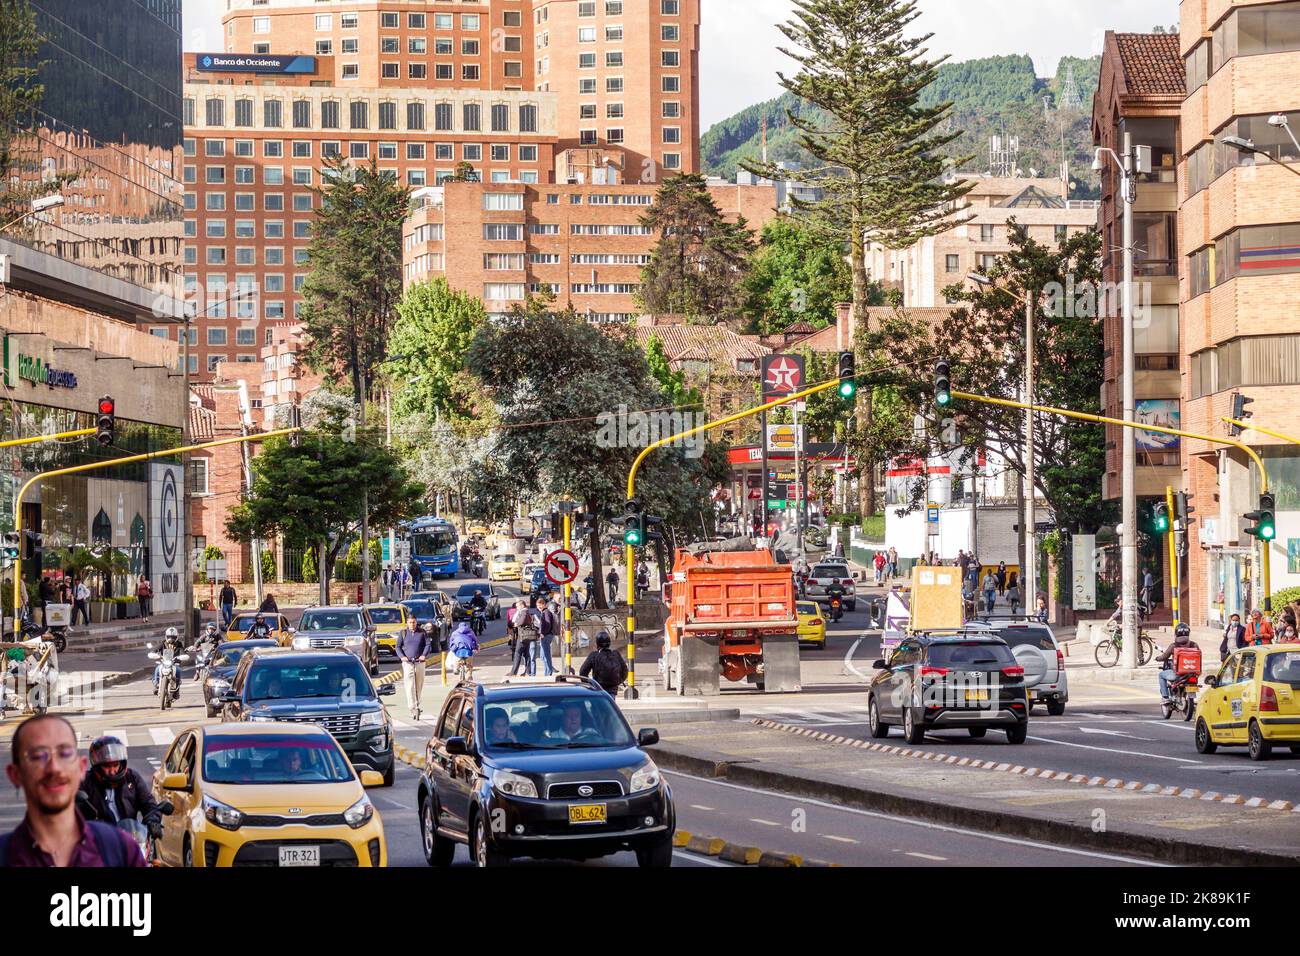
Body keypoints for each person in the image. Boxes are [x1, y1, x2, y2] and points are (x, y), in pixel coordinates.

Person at [1, 715, 146, 867]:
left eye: (64, 754)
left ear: (81, 767)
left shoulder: (122, 849)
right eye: (38, 757)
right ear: (15, 774)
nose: (54, 768)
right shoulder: (5, 856)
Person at [79, 735, 163, 837]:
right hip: (98, 841)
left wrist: (153, 821)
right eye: (106, 766)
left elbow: (148, 803)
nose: (112, 771)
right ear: (97, 765)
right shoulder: (85, 782)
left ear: (121, 763)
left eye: (115, 765)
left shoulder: (132, 778)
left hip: (131, 838)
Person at [395, 617, 432, 720]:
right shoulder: (403, 633)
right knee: (409, 685)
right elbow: (397, 647)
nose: (412, 624)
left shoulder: (422, 632)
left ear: (416, 622)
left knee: (419, 684)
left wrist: (423, 655)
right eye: (410, 622)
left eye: (414, 622)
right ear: (407, 623)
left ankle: (417, 704)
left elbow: (428, 645)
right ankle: (412, 707)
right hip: (408, 663)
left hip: (419, 662)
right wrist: (402, 657)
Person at [1157, 623, 1200, 710]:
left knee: (1161, 675)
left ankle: (1165, 697)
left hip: (1178, 674)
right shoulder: (1194, 645)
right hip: (1193, 674)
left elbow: (1165, 656)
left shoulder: (1174, 646)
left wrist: (1158, 658)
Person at [579, 630, 627, 696]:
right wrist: (616, 683)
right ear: (609, 643)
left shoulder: (594, 655)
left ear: (597, 643)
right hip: (612, 691)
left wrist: (591, 684)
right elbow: (625, 672)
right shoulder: (616, 654)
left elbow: (582, 672)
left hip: (598, 689)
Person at [151, 626, 186, 696]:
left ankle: (176, 689)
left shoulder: (179, 644)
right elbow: (155, 650)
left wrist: (182, 656)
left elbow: (183, 652)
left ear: (176, 637)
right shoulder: (163, 643)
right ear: (166, 636)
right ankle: (156, 685)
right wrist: (153, 654)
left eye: (173, 637)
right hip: (164, 663)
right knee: (157, 669)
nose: (171, 639)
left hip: (174, 663)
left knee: (178, 671)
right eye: (169, 637)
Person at [508, 600, 536, 676]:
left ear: (522, 605)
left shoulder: (523, 612)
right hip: (527, 636)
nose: (517, 608)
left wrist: (516, 624)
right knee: (526, 654)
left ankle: (514, 672)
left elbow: (521, 621)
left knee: (517, 653)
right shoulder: (526, 611)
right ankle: (528, 671)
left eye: (518, 606)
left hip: (523, 636)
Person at [531, 595, 557, 677]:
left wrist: (543, 633)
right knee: (543, 656)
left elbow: (548, 624)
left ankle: (548, 672)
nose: (539, 607)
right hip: (545, 635)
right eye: (537, 606)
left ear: (544, 604)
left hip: (546, 636)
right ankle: (547, 671)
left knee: (546, 655)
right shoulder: (544, 612)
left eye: (540, 605)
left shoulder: (546, 612)